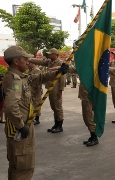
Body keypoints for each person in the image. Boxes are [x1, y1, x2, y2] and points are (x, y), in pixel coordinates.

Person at [2, 46, 68, 180]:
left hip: (21, 127)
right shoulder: (15, 80)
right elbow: (9, 106)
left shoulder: (19, 77)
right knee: (23, 169)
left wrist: (58, 73)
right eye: (24, 59)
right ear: (16, 61)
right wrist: (21, 126)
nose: (27, 62)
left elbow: (38, 78)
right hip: (20, 129)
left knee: (16, 168)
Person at [28, 48, 66, 133]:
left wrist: (60, 90)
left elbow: (62, 78)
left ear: (55, 54)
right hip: (50, 86)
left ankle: (59, 125)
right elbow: (39, 61)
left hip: (56, 87)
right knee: (53, 106)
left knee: (58, 107)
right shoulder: (49, 62)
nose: (48, 55)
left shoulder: (60, 63)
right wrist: (28, 59)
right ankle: (56, 124)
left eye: (50, 54)